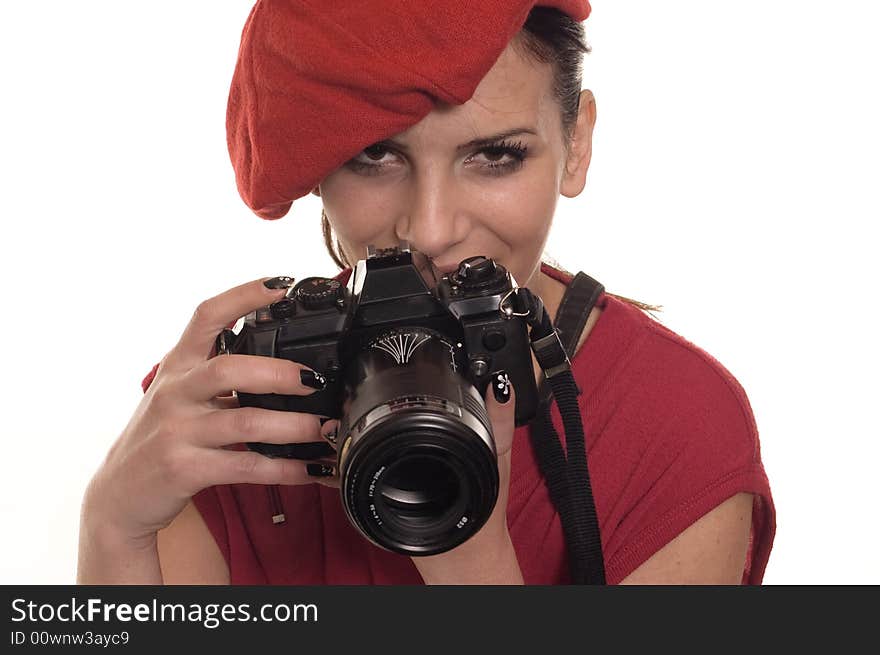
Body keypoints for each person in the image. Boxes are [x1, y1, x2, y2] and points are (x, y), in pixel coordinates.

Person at [77, 0, 775, 585]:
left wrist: (473, 564)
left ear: (577, 144)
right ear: (317, 167)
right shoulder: (226, 410)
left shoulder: (679, 427)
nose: (432, 230)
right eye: (374, 155)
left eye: (496, 155)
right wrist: (112, 522)